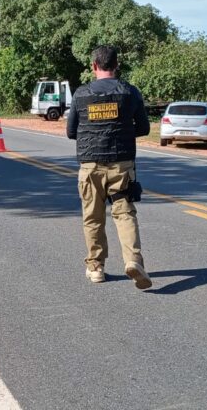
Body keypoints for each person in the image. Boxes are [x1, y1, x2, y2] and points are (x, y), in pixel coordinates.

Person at [67, 45, 152, 290]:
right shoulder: (130, 91)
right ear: (116, 65)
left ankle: (96, 268)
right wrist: (123, 131)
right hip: (122, 165)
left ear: (94, 66)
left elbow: (71, 131)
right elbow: (144, 128)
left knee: (93, 218)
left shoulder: (81, 94)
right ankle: (133, 260)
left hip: (90, 165)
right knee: (124, 214)